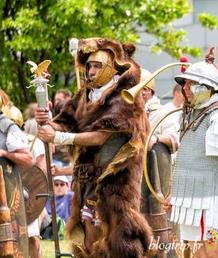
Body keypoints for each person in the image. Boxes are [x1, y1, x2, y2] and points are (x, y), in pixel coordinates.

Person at [35, 38, 152, 257]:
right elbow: (65, 121)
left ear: (110, 67)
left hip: (116, 182)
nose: (91, 71)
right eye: (89, 66)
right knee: (87, 235)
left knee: (116, 238)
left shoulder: (125, 98)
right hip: (87, 178)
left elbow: (100, 136)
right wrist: (47, 122)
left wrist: (59, 137)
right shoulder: (85, 95)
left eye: (97, 66)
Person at [165, 49, 218, 258]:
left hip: (217, 207)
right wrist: (174, 192)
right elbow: (186, 160)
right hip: (193, 205)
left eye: (190, 84)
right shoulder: (192, 115)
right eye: (184, 84)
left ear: (206, 88)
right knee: (199, 254)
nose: (184, 88)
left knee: (216, 252)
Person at [0, 90, 33, 257]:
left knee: (11, 249)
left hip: (6, 197)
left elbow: (28, 158)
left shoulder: (7, 126)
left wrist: (5, 154)